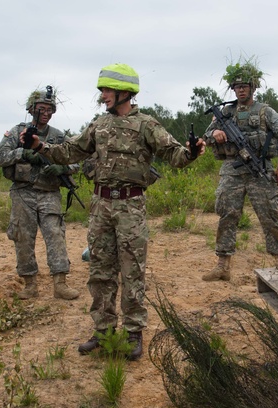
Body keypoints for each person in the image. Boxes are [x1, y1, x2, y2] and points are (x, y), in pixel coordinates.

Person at [23, 63, 204, 360]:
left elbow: (175, 155)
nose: (103, 95)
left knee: (132, 269)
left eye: (107, 90)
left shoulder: (146, 124)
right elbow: (70, 151)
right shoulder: (99, 125)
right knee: (100, 270)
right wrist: (40, 146)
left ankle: (134, 332)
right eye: (102, 90)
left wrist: (193, 152)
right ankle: (103, 330)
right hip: (100, 206)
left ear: (124, 92)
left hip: (131, 206)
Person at [202, 61, 278, 282]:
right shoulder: (225, 113)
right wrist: (214, 134)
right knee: (227, 215)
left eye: (244, 86)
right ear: (233, 89)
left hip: (259, 169)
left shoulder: (265, 112)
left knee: (269, 216)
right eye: (237, 86)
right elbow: (206, 137)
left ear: (253, 87)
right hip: (231, 171)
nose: (241, 90)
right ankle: (223, 266)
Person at [0, 86, 79, 300]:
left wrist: (63, 168)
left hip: (49, 192)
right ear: (31, 109)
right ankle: (30, 284)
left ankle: (60, 284)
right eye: (42, 108)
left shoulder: (58, 136)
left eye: (50, 109)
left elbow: (77, 159)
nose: (46, 113)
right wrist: (22, 153)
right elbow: (0, 157)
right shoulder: (17, 132)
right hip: (22, 192)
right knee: (23, 237)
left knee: (55, 235)